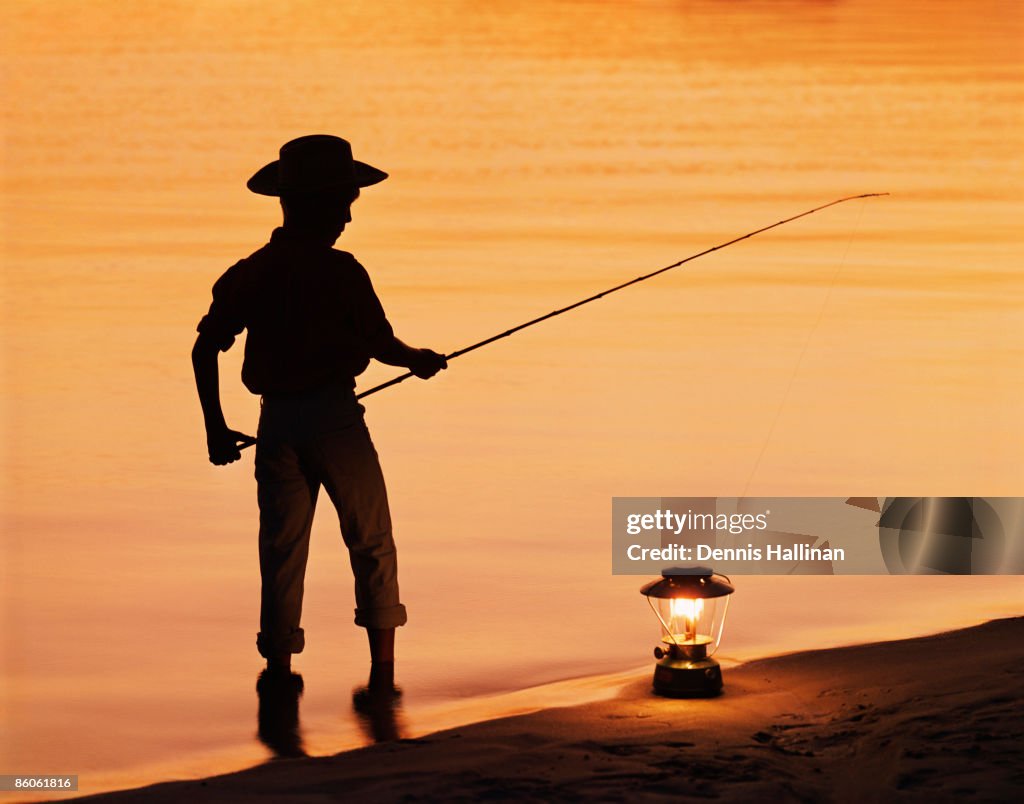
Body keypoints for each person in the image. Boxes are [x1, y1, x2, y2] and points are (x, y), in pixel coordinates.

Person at [191, 134, 446, 699]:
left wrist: (214, 425)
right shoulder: (343, 272)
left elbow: (205, 348)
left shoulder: (251, 272)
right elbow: (382, 346)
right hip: (335, 420)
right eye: (344, 201)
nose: (350, 215)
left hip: (275, 426)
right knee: (371, 539)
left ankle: (278, 672)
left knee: (281, 550)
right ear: (318, 204)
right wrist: (421, 361)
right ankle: (383, 674)